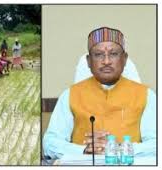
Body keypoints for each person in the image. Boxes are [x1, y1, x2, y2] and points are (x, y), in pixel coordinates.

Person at [43, 27, 156, 159]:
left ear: (124, 59)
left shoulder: (146, 95)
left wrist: (117, 148)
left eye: (113, 54)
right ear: (88, 61)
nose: (106, 61)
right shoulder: (70, 95)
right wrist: (84, 151)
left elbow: (156, 143)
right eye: (98, 54)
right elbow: (50, 143)